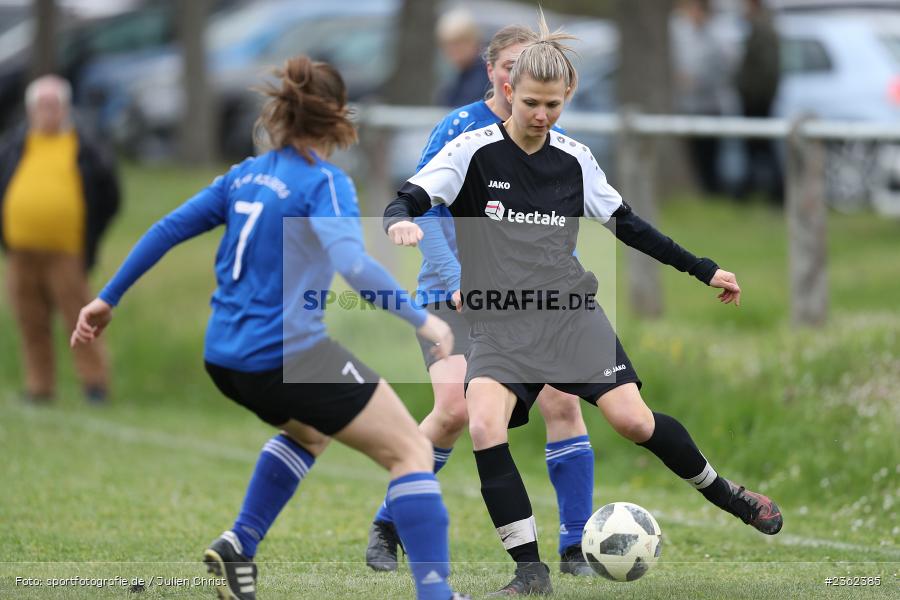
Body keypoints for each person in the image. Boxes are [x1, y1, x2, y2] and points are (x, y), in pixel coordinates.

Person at [384, 13, 783, 596]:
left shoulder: (574, 158)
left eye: (552, 104)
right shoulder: (472, 150)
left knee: (633, 421)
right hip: (499, 324)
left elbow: (630, 226)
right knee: (485, 423)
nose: (541, 116)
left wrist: (703, 269)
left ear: (566, 96)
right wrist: (399, 224)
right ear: (507, 93)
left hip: (570, 317)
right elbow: (410, 196)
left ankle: (728, 494)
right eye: (530, 104)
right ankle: (530, 571)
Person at [70, 56, 468, 600]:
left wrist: (106, 298)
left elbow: (167, 228)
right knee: (411, 454)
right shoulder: (325, 182)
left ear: (282, 113)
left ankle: (240, 543)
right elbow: (353, 264)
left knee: (309, 432)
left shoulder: (245, 175)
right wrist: (423, 319)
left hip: (225, 357)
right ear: (337, 118)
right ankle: (437, 596)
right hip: (287, 355)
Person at [365, 25, 596, 578]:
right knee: (454, 408)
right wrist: (453, 277)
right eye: (511, 67)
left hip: (529, 300)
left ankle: (575, 546)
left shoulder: (546, 130)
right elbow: (426, 204)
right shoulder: (461, 128)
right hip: (452, 295)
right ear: (494, 72)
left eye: (533, 69)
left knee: (563, 401)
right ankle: (387, 522)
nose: (521, 78)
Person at [0, 74, 119, 404]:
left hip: (66, 252)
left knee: (80, 317)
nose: (48, 112)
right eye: (42, 105)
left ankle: (95, 384)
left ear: (66, 109)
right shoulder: (15, 145)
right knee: (30, 320)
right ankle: (39, 386)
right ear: (30, 110)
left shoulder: (84, 147)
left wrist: (89, 234)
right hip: (21, 252)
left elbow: (109, 196)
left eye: (54, 105)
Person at [671, 0, 732, 195]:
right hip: (689, 107)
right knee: (694, 157)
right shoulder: (684, 35)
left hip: (709, 106)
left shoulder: (715, 38)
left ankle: (712, 192)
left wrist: (696, 81)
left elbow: (721, 72)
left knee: (709, 157)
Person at [736, 0, 783, 203]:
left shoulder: (761, 28)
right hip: (758, 96)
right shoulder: (762, 26)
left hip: (757, 98)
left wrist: (752, 93)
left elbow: (764, 68)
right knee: (759, 146)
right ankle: (763, 189)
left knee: (760, 145)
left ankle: (775, 191)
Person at [436, 9, 490, 107]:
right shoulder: (457, 75)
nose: (453, 50)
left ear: (474, 41)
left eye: (459, 42)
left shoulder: (487, 74)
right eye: (448, 44)